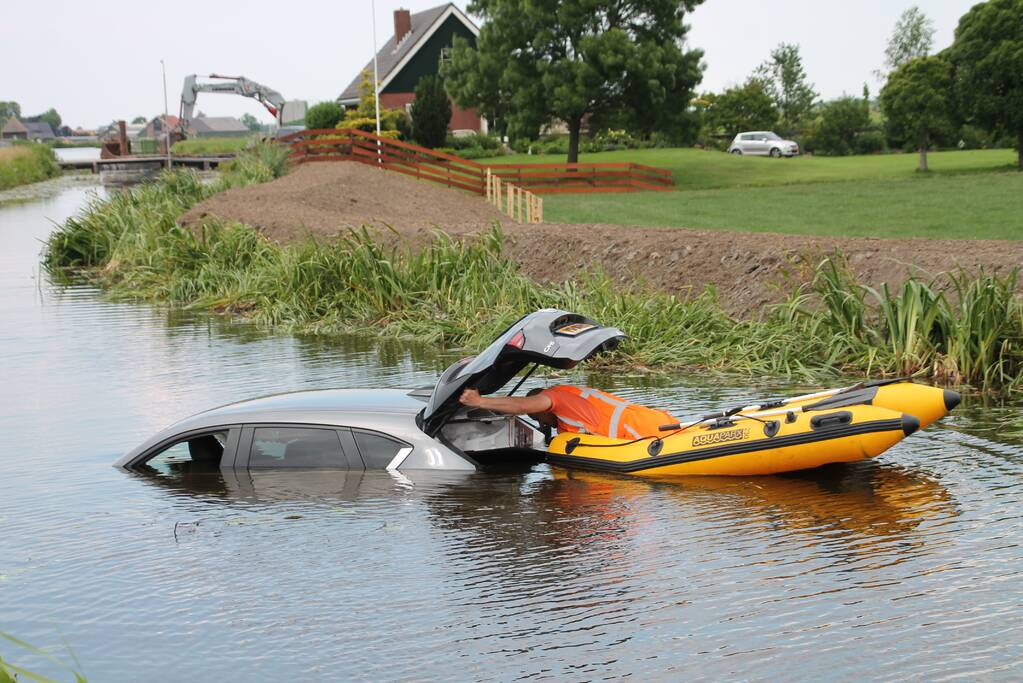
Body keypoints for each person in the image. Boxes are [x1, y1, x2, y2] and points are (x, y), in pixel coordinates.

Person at [459, 385, 675, 440]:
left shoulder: (556, 398)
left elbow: (522, 406)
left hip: (641, 432)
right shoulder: (571, 397)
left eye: (537, 416)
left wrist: (479, 401)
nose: (542, 423)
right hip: (657, 419)